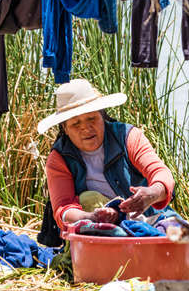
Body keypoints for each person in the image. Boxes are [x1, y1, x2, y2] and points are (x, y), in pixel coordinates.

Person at [37, 79, 178, 233]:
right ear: (65, 128)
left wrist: (152, 193)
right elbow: (63, 209)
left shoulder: (128, 136)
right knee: (88, 198)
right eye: (76, 124)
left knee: (180, 236)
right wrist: (90, 217)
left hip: (150, 218)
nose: (85, 128)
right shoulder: (59, 158)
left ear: (102, 116)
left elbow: (161, 173)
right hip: (97, 228)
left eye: (91, 118)